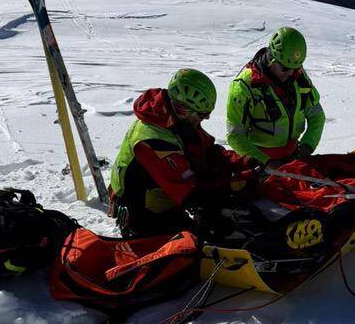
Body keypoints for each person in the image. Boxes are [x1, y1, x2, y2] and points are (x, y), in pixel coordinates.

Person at [109, 68, 255, 237]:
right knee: (194, 250)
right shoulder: (152, 140)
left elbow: (208, 151)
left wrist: (244, 162)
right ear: (183, 109)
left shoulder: (177, 121)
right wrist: (232, 183)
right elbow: (189, 189)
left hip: (166, 197)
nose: (205, 119)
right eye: (201, 115)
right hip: (144, 212)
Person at [226, 27, 325, 165]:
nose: (290, 73)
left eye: (295, 68)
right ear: (271, 59)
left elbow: (317, 116)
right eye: (284, 68)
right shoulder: (244, 86)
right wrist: (265, 162)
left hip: (293, 156)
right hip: (257, 161)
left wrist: (307, 147)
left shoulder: (299, 77)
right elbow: (235, 135)